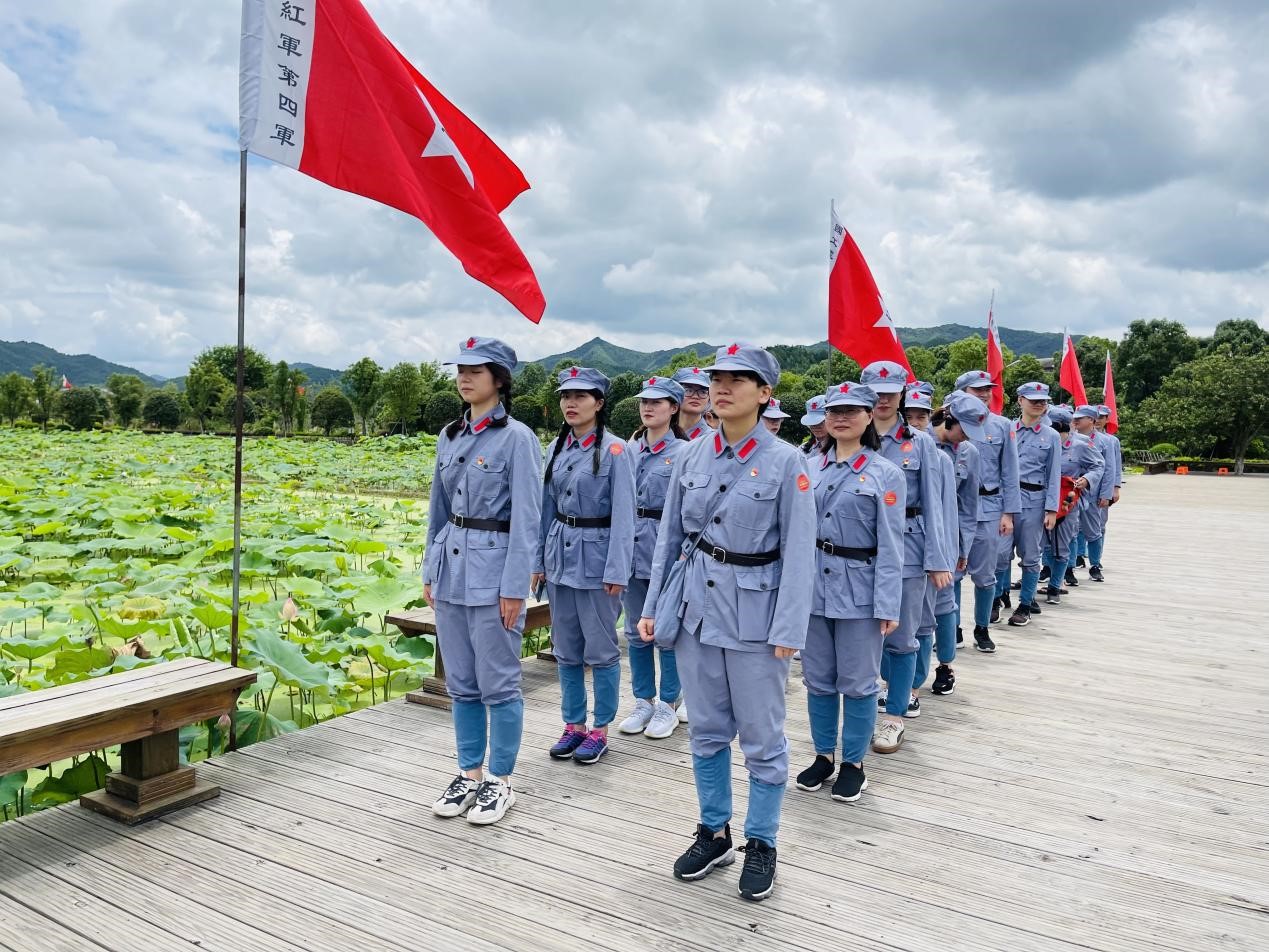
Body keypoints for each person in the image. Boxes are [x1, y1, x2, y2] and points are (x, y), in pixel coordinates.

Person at [637, 342, 815, 903]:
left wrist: (789, 631)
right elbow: (670, 538)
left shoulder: (788, 462)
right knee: (708, 732)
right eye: (718, 377)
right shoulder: (690, 457)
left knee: (763, 739)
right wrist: (652, 607)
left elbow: (800, 553)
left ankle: (762, 841)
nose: (723, 386)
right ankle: (714, 831)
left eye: (740, 379)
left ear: (764, 394)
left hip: (756, 618)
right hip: (694, 611)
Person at [424, 337, 542, 826]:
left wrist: (516, 587)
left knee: (499, 683)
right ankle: (468, 773)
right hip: (451, 569)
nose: (464, 377)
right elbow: (437, 508)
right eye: (460, 369)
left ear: (500, 378)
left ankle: (500, 779)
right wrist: (430, 569)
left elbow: (528, 519)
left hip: (495, 575)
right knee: (462, 684)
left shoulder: (518, 438)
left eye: (476, 369)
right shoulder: (449, 436)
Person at [795, 380, 903, 802]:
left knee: (858, 682)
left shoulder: (885, 472)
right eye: (833, 410)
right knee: (818, 679)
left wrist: (888, 603)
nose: (841, 417)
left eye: (851, 411)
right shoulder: (808, 467)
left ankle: (853, 763)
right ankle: (823, 755)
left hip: (861, 587)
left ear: (868, 416)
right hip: (813, 587)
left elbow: (892, 544)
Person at [531, 367, 636, 765]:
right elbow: (545, 510)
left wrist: (617, 570)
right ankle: (572, 725)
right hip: (560, 557)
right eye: (565, 396)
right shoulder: (556, 449)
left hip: (597, 560)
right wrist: (538, 560)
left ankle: (600, 729)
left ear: (599, 402)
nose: (571, 403)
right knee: (566, 648)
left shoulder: (615, 450)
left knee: (602, 649)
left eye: (581, 396)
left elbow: (625, 516)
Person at [862, 361, 953, 754]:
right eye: (876, 391)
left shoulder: (920, 443)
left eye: (891, 390)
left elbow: (934, 503)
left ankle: (895, 715)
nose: (883, 398)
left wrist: (938, 558)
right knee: (861, 634)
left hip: (909, 549)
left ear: (902, 394)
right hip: (859, 551)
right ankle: (868, 703)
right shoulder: (848, 436)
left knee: (901, 636)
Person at [618, 375, 687, 739]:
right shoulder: (628, 451)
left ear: (673, 408)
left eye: (657, 402)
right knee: (634, 630)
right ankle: (643, 699)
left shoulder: (684, 453)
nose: (648, 407)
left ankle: (668, 703)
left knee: (667, 630)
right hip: (631, 547)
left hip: (667, 548)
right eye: (644, 401)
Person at [899, 384, 958, 715]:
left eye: (922, 416)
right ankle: (891, 684)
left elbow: (944, 514)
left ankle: (913, 686)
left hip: (921, 548)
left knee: (920, 623)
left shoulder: (939, 460)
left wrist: (944, 557)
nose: (916, 422)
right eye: (910, 416)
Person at [955, 370, 1020, 653]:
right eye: (976, 389)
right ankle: (951, 627)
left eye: (987, 390)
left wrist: (1008, 513)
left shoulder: (1002, 425)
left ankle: (982, 628)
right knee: (951, 574)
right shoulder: (950, 424)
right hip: (956, 509)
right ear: (960, 393)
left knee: (985, 574)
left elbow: (1010, 471)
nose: (983, 394)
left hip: (989, 507)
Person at [930, 391, 987, 692]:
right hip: (915, 537)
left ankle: (945, 665)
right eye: (964, 429)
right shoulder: (917, 443)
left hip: (949, 539)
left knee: (946, 604)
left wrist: (962, 548)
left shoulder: (969, 453)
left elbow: (968, 507)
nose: (966, 437)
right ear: (948, 419)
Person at [998, 382, 1061, 627]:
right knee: (1000, 553)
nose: (1038, 404)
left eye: (1043, 400)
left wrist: (1052, 510)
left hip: (1035, 501)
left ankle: (1025, 603)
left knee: (1031, 556)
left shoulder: (1052, 435)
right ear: (1020, 400)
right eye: (1033, 399)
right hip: (1005, 500)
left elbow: (1054, 474)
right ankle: (996, 597)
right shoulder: (1007, 429)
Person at [1043, 406, 1104, 605]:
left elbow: (1098, 465)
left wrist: (1086, 479)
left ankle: (1055, 585)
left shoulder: (1081, 445)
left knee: (1062, 544)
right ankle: (1043, 578)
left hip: (1067, 501)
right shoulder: (1040, 441)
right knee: (1041, 545)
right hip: (1040, 499)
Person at [1073, 405, 1115, 583]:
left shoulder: (1105, 442)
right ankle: (1070, 566)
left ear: (1091, 420)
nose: (1075, 421)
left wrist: (1106, 494)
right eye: (1074, 418)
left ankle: (1095, 564)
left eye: (1079, 418)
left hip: (1092, 493)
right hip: (1071, 493)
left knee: (1094, 531)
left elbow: (1109, 469)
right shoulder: (1068, 439)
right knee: (1071, 532)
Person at [1091, 405, 1123, 580]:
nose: (1098, 420)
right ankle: (1079, 556)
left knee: (1099, 525)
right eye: (1096, 416)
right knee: (1077, 527)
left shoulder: (1111, 441)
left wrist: (1114, 488)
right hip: (1083, 490)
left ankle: (1096, 560)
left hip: (1102, 488)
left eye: (1102, 417)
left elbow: (1114, 467)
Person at [673, 366, 715, 441]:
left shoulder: (712, 440)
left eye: (702, 392)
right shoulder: (662, 434)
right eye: (688, 390)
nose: (695, 396)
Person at [799, 395, 828, 462]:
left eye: (821, 422)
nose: (815, 426)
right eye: (811, 422)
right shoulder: (802, 449)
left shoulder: (842, 449)